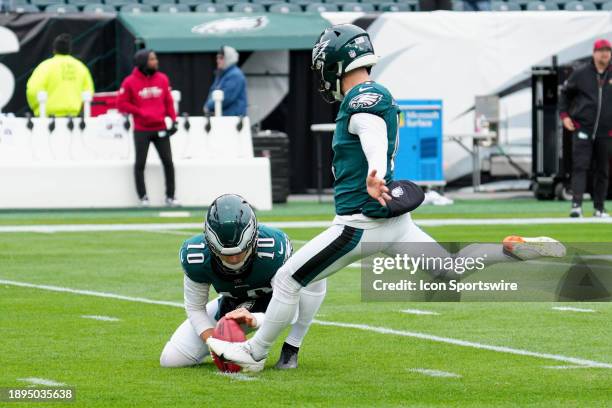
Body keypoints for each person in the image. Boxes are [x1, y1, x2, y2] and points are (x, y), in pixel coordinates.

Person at [206, 24, 567, 373]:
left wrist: (374, 172)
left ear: (335, 64)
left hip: (360, 224)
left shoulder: (363, 98)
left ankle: (255, 352)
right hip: (395, 223)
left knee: (287, 280)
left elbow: (371, 130)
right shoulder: (376, 94)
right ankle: (510, 249)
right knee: (449, 270)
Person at [160, 194, 327, 369]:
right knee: (172, 359)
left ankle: (291, 348)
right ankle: (232, 322)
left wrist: (254, 319)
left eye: (240, 252)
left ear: (254, 239)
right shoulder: (195, 255)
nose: (233, 260)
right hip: (232, 306)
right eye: (226, 254)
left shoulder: (273, 249)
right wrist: (215, 343)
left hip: (275, 301)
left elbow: (291, 309)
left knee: (314, 271)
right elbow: (195, 307)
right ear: (210, 244)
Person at [117, 49, 179, 207]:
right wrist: (140, 112)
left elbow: (168, 101)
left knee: (168, 162)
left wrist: (174, 120)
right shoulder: (129, 82)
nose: (156, 61)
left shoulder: (163, 79)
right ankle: (143, 198)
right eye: (152, 59)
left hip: (160, 128)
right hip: (141, 129)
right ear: (143, 62)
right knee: (140, 164)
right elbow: (121, 104)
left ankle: (170, 197)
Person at [559, 39, 612, 218]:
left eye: (608, 50)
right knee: (580, 167)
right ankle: (576, 206)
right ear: (594, 53)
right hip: (583, 129)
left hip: (606, 131)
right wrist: (564, 116)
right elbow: (564, 95)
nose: (605, 53)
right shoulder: (581, 73)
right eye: (601, 50)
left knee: (603, 170)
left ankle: (599, 208)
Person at [26, 33, 94, 117]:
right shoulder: (81, 67)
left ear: (54, 49)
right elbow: (89, 92)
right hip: (74, 118)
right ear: (70, 50)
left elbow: (33, 89)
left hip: (47, 117)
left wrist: (37, 108)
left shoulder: (44, 66)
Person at [203, 46, 247, 117]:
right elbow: (212, 93)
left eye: (221, 58)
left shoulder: (235, 75)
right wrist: (207, 106)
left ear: (228, 59)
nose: (218, 60)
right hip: (224, 118)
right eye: (217, 58)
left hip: (233, 120)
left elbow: (226, 98)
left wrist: (208, 106)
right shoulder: (222, 75)